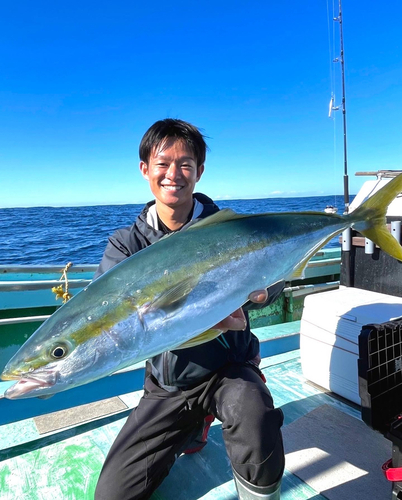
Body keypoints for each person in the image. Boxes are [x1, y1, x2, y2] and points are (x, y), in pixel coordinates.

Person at [94, 119, 285, 500]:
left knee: (254, 415)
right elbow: (108, 315)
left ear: (199, 171)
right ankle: (193, 425)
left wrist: (258, 297)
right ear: (145, 169)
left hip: (227, 369)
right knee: (112, 494)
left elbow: (272, 270)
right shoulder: (126, 244)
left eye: (186, 164)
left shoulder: (228, 227)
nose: (173, 174)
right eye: (162, 163)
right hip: (169, 384)